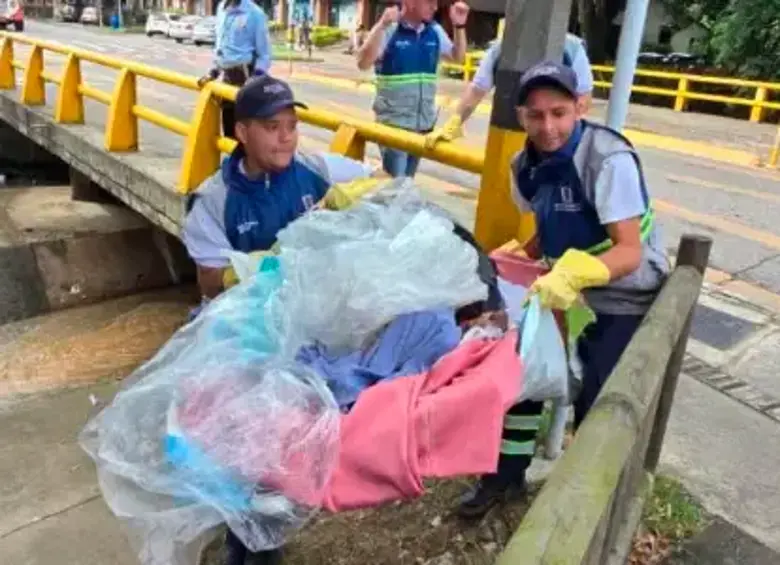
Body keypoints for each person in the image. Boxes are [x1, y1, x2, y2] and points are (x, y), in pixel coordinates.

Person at [457, 61, 669, 518]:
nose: (548, 126)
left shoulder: (606, 159)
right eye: (536, 115)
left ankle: (585, 505)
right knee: (523, 375)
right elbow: (549, 216)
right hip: (559, 291)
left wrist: (572, 275)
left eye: (559, 112)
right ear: (520, 116)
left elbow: (629, 250)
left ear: (579, 108)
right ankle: (504, 478)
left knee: (600, 399)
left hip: (622, 297)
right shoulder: (524, 165)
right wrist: (525, 252)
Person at [183, 75, 379, 306]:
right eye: (272, 127)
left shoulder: (317, 170)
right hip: (249, 316)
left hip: (314, 307)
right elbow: (210, 283)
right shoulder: (212, 200)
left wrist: (353, 194)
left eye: (292, 126)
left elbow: (385, 179)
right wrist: (251, 272)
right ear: (243, 133)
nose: (286, 137)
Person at [356, 0, 471, 178]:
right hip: (394, 125)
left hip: (422, 125)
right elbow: (363, 63)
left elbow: (457, 57)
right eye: (429, 2)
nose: (435, 7)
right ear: (410, 2)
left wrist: (459, 25)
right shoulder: (389, 28)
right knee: (396, 184)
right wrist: (381, 24)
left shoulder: (434, 30)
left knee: (406, 182)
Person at [425, 26, 594, 147]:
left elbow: (583, 98)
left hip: (557, 143)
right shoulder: (501, 47)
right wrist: (453, 122)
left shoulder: (571, 48)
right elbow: (477, 90)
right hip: (509, 141)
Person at [198, 0, 273, 138]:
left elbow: (265, 55)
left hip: (245, 76)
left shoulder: (255, 13)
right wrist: (214, 71)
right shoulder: (221, 8)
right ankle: (234, 159)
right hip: (226, 77)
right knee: (229, 130)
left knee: (245, 135)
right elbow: (221, 45)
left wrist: (254, 79)